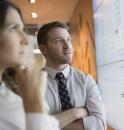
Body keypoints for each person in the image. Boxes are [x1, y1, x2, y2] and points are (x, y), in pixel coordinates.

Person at [0, 0, 59, 130]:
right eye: (14, 28)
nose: (26, 39)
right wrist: (34, 104)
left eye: (22, 29)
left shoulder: (13, 89)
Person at [37, 21, 106, 130]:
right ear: (43, 49)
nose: (67, 46)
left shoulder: (86, 80)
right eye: (58, 41)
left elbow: (100, 124)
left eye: (68, 39)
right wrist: (76, 113)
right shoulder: (32, 86)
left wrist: (50, 125)